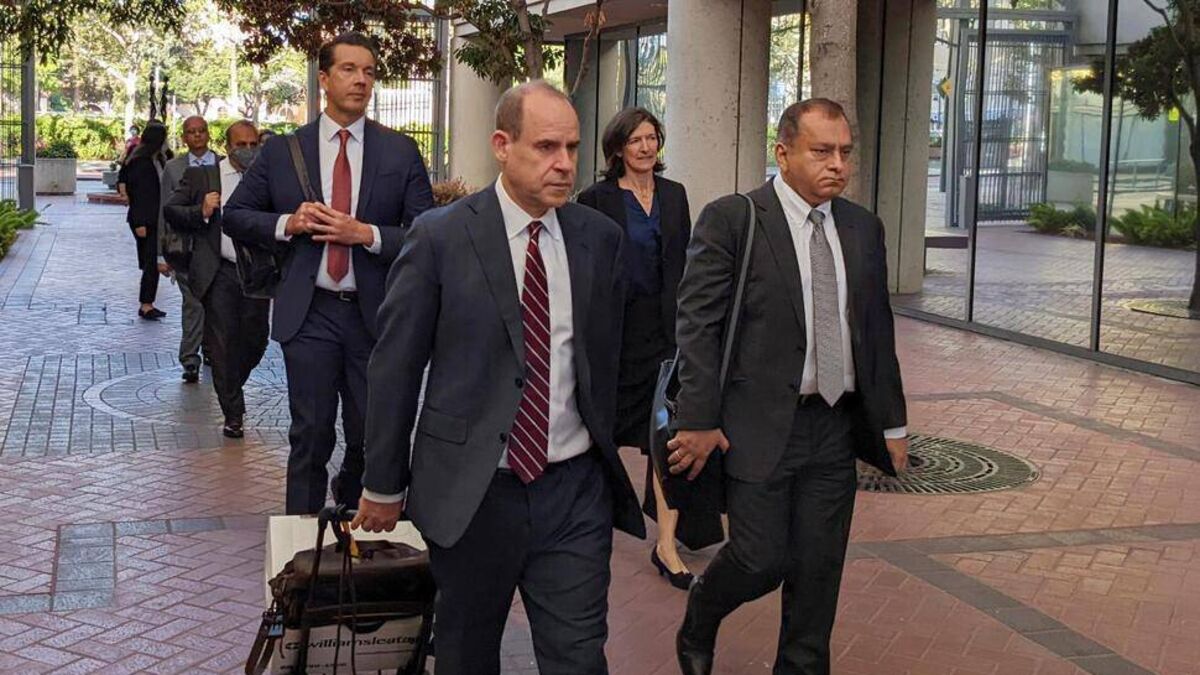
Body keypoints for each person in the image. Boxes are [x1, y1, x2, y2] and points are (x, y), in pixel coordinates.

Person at [353, 81, 646, 675]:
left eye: (572, 147)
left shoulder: (599, 239)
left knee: (579, 657)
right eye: (546, 147)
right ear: (502, 146)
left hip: (573, 491)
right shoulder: (440, 237)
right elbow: (396, 366)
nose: (564, 163)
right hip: (473, 493)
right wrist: (382, 483)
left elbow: (612, 357)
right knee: (466, 654)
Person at [670, 98, 909, 675]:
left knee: (818, 568)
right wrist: (698, 418)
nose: (838, 165)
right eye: (821, 151)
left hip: (834, 425)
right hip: (755, 424)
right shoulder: (734, 219)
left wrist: (893, 424)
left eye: (845, 152)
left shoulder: (862, 227)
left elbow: (876, 332)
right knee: (759, 558)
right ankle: (703, 611)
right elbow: (697, 325)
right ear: (782, 153)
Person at [224, 32, 434, 514]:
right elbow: (235, 215)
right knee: (310, 435)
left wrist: (367, 234)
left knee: (370, 435)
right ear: (324, 78)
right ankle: (299, 543)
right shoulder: (284, 151)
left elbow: (426, 232)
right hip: (309, 313)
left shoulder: (399, 151)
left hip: (375, 316)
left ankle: (355, 523)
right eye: (349, 69)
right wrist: (288, 223)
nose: (361, 80)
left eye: (369, 72)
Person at [578, 107, 719, 590]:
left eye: (651, 137)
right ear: (618, 148)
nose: (645, 147)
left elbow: (688, 263)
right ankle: (588, 521)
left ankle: (667, 544)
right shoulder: (595, 199)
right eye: (635, 139)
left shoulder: (674, 195)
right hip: (615, 338)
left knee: (665, 436)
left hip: (666, 336)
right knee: (601, 433)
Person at [163, 120, 269, 439]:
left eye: (253, 145)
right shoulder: (205, 176)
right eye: (241, 145)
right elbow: (172, 210)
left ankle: (232, 383)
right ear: (227, 146)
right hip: (219, 271)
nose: (248, 150)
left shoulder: (266, 177)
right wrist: (202, 210)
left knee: (256, 340)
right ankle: (233, 412)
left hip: (256, 273)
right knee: (221, 345)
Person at [160, 115, 222, 384]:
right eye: (191, 132)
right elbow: (164, 209)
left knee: (216, 305)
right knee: (193, 304)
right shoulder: (173, 168)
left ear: (208, 134)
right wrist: (161, 253)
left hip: (218, 247)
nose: (197, 135)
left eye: (201, 130)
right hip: (187, 249)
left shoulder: (223, 164)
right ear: (184, 137)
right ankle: (189, 358)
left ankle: (211, 351)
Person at [118, 121, 172, 320]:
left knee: (151, 260)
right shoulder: (141, 161)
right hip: (145, 219)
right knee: (150, 261)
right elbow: (140, 193)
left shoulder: (159, 159)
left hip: (156, 217)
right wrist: (140, 222)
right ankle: (146, 305)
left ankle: (148, 302)